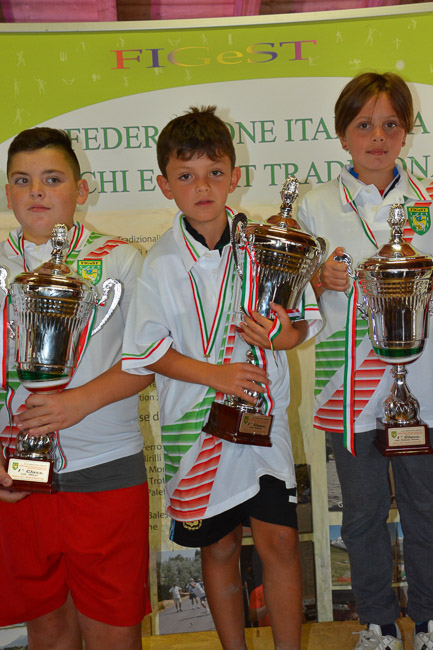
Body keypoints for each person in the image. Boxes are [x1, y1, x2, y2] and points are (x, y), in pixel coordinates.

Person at [122, 106, 321, 650]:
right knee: (220, 548)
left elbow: (301, 323)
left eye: (214, 172)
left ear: (236, 176)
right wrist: (218, 375)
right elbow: (148, 352)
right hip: (197, 428)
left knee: (281, 542)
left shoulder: (267, 245)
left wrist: (281, 336)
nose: (203, 187)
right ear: (165, 186)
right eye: (186, 176)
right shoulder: (160, 263)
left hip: (262, 425)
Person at [0, 127, 153, 650]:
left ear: (81, 189)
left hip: (105, 468)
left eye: (52, 179)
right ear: (8, 192)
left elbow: (148, 360)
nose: (36, 192)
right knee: (47, 632)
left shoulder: (120, 260)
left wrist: (77, 404)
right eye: (23, 180)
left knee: (114, 633)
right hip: (19, 475)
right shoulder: (1, 265)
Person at [298, 72, 433, 650]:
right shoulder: (313, 206)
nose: (378, 137)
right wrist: (317, 279)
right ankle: (377, 623)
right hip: (347, 388)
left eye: (390, 124)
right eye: (364, 125)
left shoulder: (428, 201)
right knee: (361, 513)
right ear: (342, 134)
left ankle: (427, 621)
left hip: (423, 385)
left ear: (406, 131)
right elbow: (288, 302)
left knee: (426, 508)